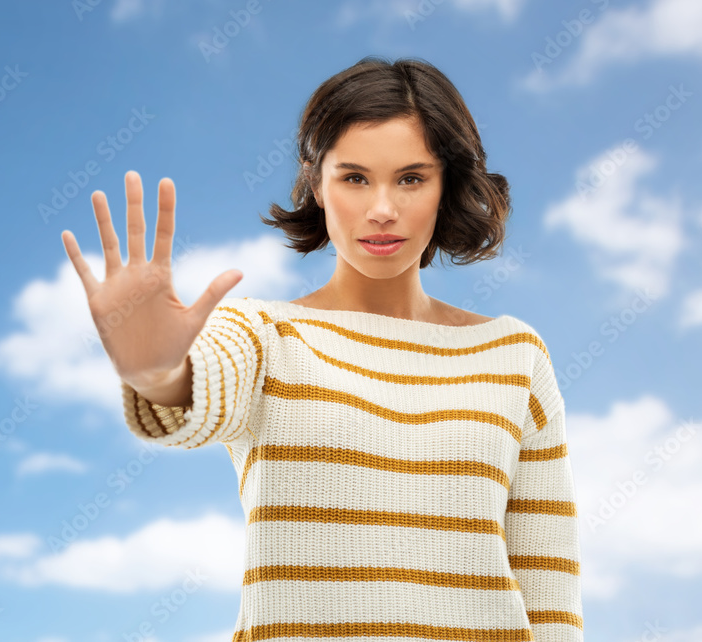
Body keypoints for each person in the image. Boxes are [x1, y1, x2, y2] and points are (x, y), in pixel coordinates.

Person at [61, 55, 583, 641]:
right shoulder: (265, 335)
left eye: (411, 178)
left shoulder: (514, 357)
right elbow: (199, 389)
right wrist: (157, 371)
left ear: (447, 186)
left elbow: (550, 595)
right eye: (354, 177)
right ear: (317, 184)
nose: (381, 209)